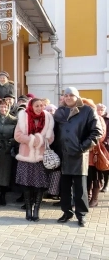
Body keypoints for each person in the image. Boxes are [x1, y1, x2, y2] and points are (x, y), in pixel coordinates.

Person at [53, 87, 103, 227]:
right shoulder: (60, 111)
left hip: (79, 155)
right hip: (63, 155)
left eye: (71, 95)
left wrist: (82, 147)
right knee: (64, 187)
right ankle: (66, 212)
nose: (68, 97)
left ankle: (81, 214)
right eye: (66, 95)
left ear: (77, 97)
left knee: (80, 188)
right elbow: (54, 132)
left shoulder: (87, 111)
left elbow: (97, 132)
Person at [15, 98, 54, 221]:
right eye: (36, 106)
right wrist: (32, 140)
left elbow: (51, 136)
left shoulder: (48, 118)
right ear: (31, 106)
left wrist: (41, 140)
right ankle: (28, 209)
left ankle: (36, 209)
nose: (39, 108)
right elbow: (17, 135)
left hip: (40, 157)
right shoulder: (23, 116)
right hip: (26, 156)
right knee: (26, 185)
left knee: (39, 185)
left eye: (41, 106)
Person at [0, 101, 17, 207]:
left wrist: (12, 142)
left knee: (5, 174)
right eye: (1, 107)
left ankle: (3, 196)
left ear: (9, 108)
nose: (3, 109)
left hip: (7, 150)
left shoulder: (14, 120)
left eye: (5, 107)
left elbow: (17, 134)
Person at [87, 101, 107, 207]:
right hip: (83, 155)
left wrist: (89, 144)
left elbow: (101, 135)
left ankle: (94, 199)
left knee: (95, 177)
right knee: (86, 177)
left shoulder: (99, 118)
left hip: (95, 153)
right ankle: (87, 197)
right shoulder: (82, 118)